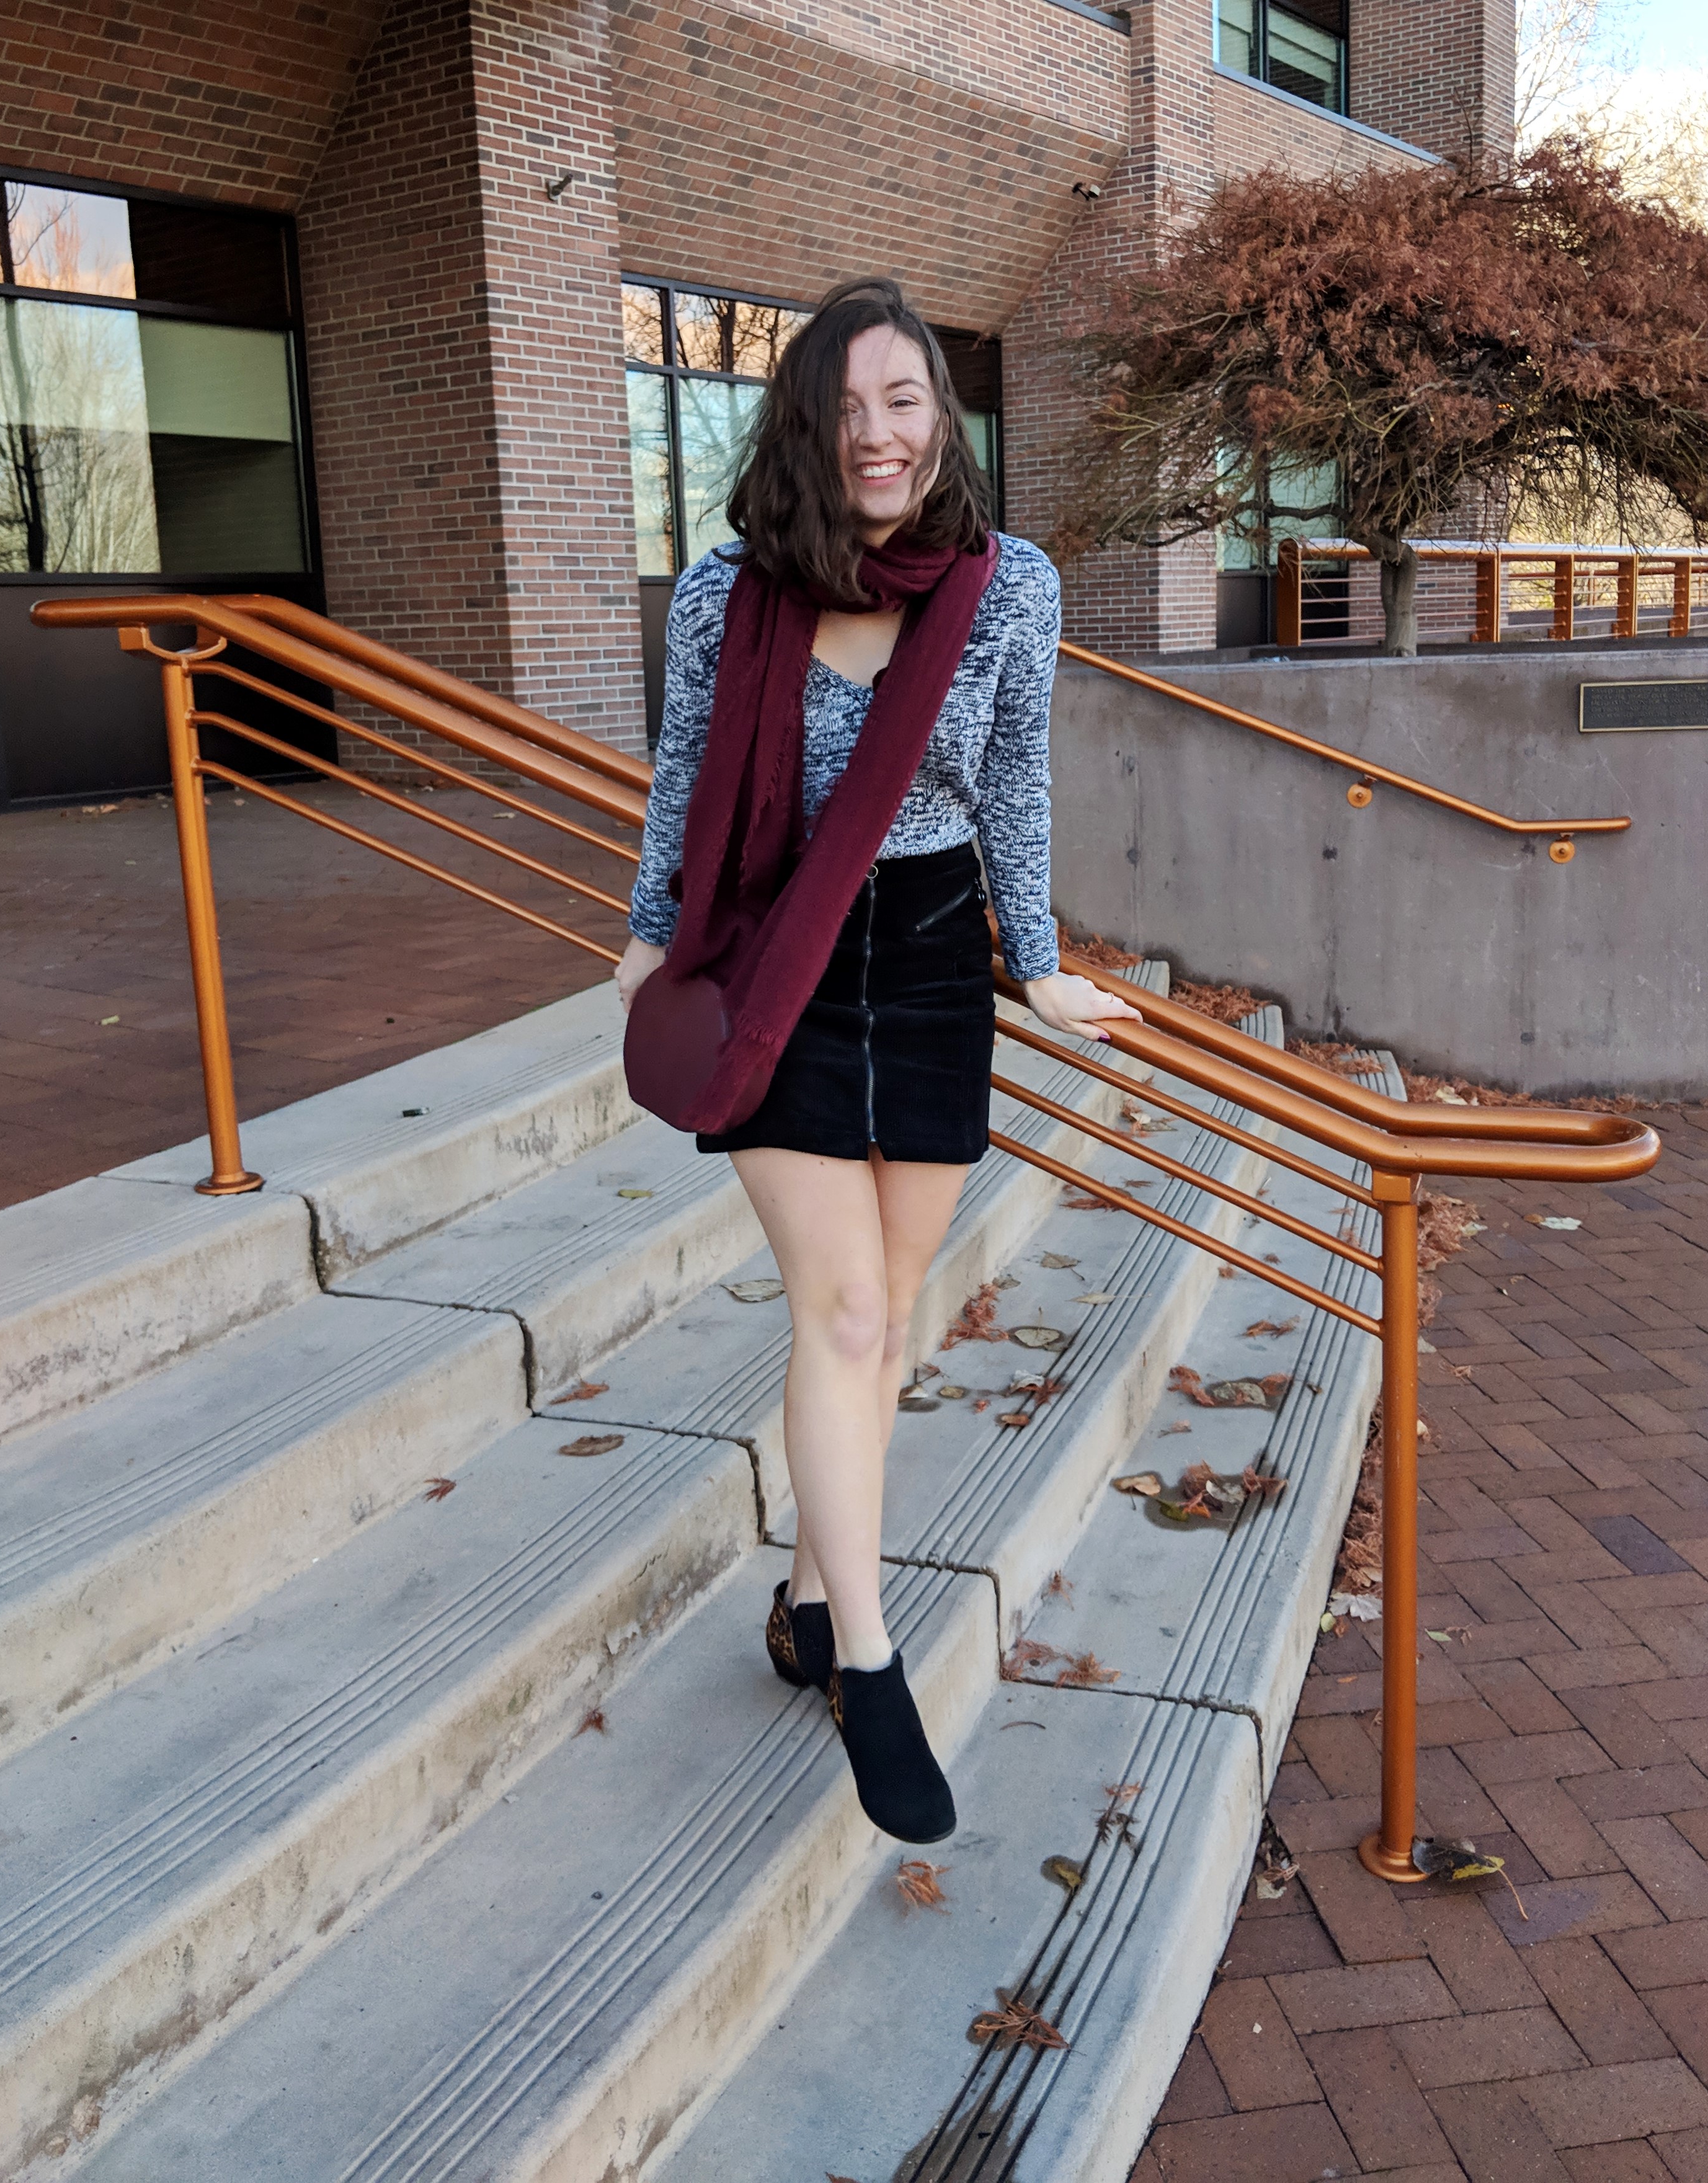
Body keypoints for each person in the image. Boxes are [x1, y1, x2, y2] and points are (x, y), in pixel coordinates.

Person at [615, 277, 1140, 1842]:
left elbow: (1013, 781)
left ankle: (797, 1595)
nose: (875, 435)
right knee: (841, 1308)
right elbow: (681, 779)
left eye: (900, 401)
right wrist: (650, 935)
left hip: (920, 958)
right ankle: (867, 1653)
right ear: (806, 426)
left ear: (940, 418)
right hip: (770, 958)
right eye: (845, 408)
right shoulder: (727, 595)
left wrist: (1033, 960)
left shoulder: (1008, 587)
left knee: (889, 1310)